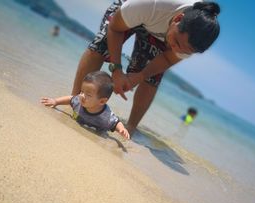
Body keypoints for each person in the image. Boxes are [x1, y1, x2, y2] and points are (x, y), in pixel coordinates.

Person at [70, 0, 220, 136]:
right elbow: (115, 28)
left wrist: (139, 76)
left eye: (183, 51)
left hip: (160, 29)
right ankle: (75, 102)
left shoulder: (192, 41)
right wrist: (116, 69)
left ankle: (131, 127)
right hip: (135, 12)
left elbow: (167, 58)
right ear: (178, 19)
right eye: (176, 42)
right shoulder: (154, 5)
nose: (175, 49)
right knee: (100, 46)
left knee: (153, 77)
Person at [41, 71, 130, 139]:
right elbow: (70, 99)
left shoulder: (106, 116)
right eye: (82, 91)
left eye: (88, 95)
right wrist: (55, 101)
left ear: (102, 101)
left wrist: (122, 129)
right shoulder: (79, 101)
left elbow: (116, 122)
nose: (82, 95)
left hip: (96, 133)